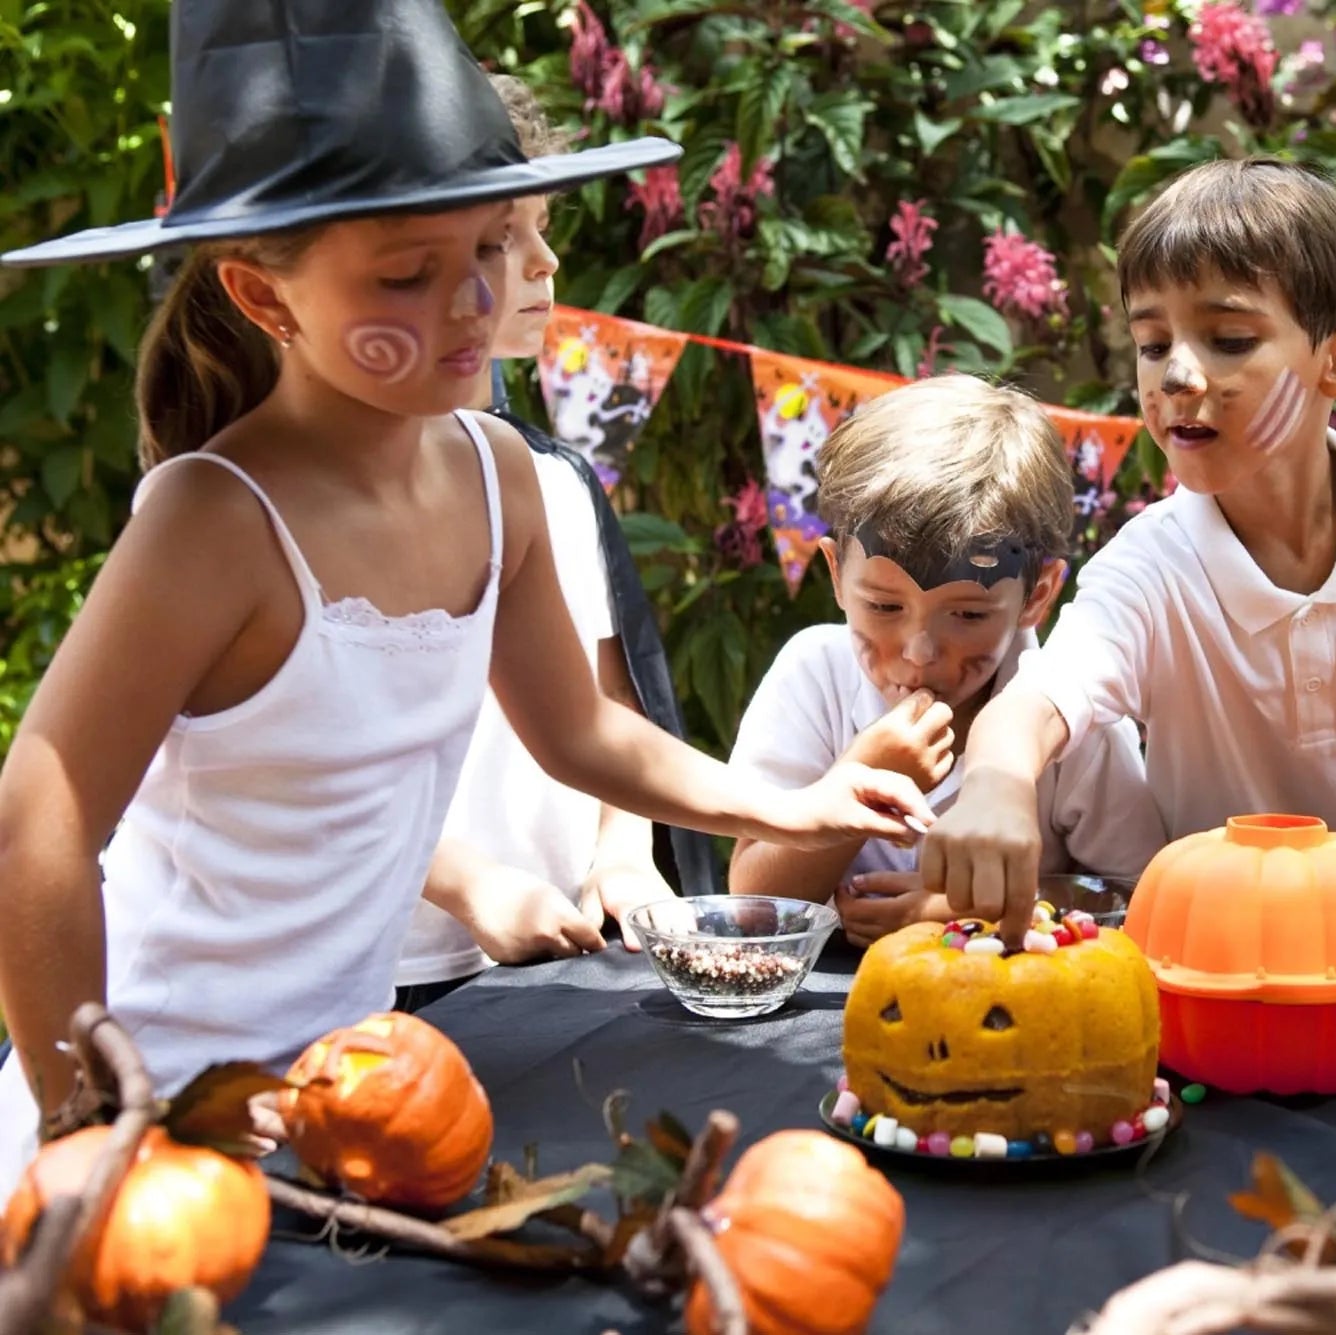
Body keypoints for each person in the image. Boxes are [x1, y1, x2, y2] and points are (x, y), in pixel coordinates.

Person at [0, 0, 928, 1194]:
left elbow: (580, 730)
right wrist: (88, 1115)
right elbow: (42, 811)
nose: (474, 302)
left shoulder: (498, 477)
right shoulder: (211, 520)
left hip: (345, 1087)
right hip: (163, 1091)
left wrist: (789, 808)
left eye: (491, 246)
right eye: (407, 274)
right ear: (264, 297)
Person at [919, 158, 1336, 942]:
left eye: (1228, 339)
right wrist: (993, 783)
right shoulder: (1148, 567)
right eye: (1152, 344)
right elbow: (1035, 702)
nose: (1178, 375)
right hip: (1218, 968)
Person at [395, 76, 700, 1010]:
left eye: (538, 228)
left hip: (561, 953)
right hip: (397, 967)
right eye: (504, 236)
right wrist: (468, 883)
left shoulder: (552, 480)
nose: (545, 264)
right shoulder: (309, 500)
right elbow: (303, 770)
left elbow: (604, 704)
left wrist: (624, 846)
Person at [729, 375, 1166, 946]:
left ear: (1036, 595)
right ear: (836, 575)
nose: (919, 651)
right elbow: (752, 909)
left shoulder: (1070, 719)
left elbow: (1139, 896)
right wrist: (859, 784)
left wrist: (960, 911)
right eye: (884, 605)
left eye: (967, 615)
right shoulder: (813, 678)